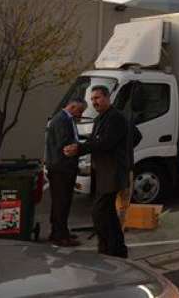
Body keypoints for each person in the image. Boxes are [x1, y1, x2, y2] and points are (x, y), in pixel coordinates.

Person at [64, 85, 130, 258]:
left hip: (112, 172)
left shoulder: (115, 118)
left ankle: (107, 249)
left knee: (99, 211)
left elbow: (105, 143)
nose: (94, 102)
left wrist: (79, 149)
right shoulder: (102, 117)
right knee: (107, 213)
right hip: (103, 172)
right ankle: (116, 250)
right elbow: (99, 141)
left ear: (108, 98)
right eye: (92, 99)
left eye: (98, 98)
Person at [45, 98, 86, 247]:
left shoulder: (63, 118)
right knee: (61, 202)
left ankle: (60, 231)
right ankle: (60, 236)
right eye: (80, 111)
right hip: (61, 168)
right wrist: (81, 147)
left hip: (60, 167)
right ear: (73, 107)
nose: (80, 115)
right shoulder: (62, 120)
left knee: (61, 202)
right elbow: (65, 144)